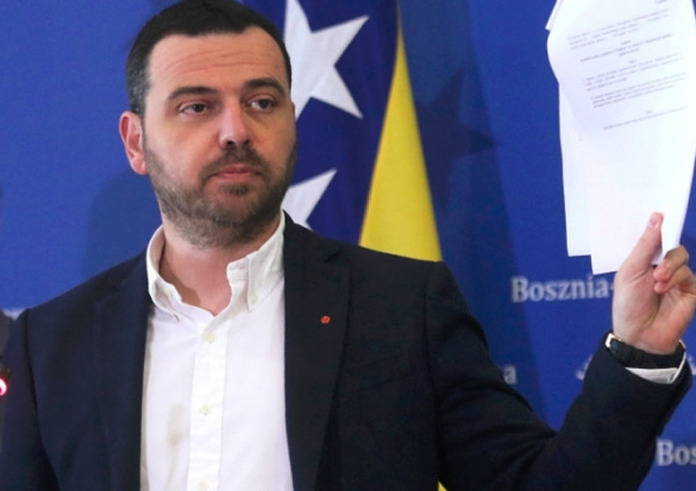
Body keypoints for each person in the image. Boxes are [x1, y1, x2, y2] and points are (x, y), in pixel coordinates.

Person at [0, 1, 694, 489]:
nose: (235, 130)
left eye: (262, 101)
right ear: (135, 142)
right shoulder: (50, 344)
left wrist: (638, 353)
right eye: (197, 106)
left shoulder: (404, 308)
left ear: (291, 121)